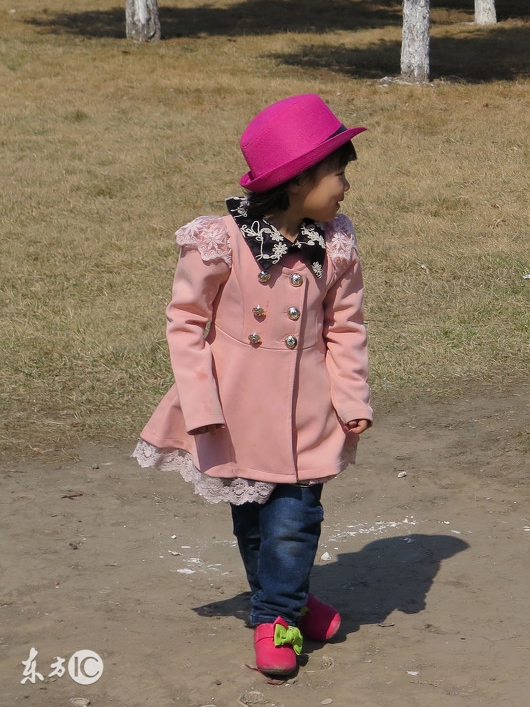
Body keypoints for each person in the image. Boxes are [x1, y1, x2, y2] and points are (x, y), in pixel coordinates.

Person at [133, 94, 372, 679]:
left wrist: (352, 398)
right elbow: (186, 323)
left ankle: (277, 618)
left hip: (308, 413)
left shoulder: (334, 242)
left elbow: (346, 326)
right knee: (254, 522)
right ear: (297, 181)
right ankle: (286, 603)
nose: (345, 185)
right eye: (337, 172)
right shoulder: (222, 240)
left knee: (295, 519)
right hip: (234, 409)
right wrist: (200, 404)